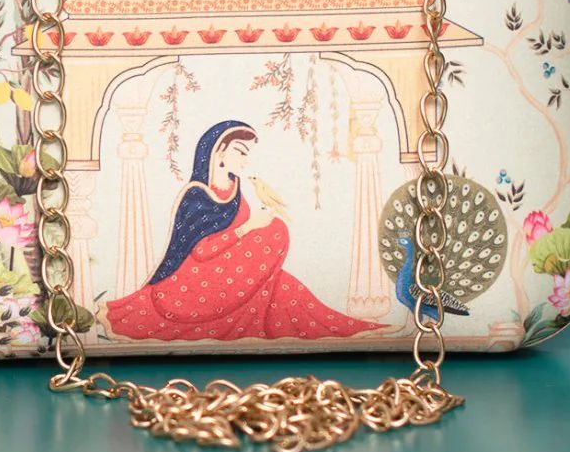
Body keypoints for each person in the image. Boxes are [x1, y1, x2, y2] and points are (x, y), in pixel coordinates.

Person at [100, 120, 384, 341]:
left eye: (247, 154)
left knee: (283, 279)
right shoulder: (197, 195)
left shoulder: (236, 188)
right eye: (240, 151)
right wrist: (249, 227)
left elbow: (249, 236)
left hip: (226, 271)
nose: (245, 160)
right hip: (190, 280)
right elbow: (200, 250)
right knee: (271, 236)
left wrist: (258, 226)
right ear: (218, 152)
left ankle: (348, 329)